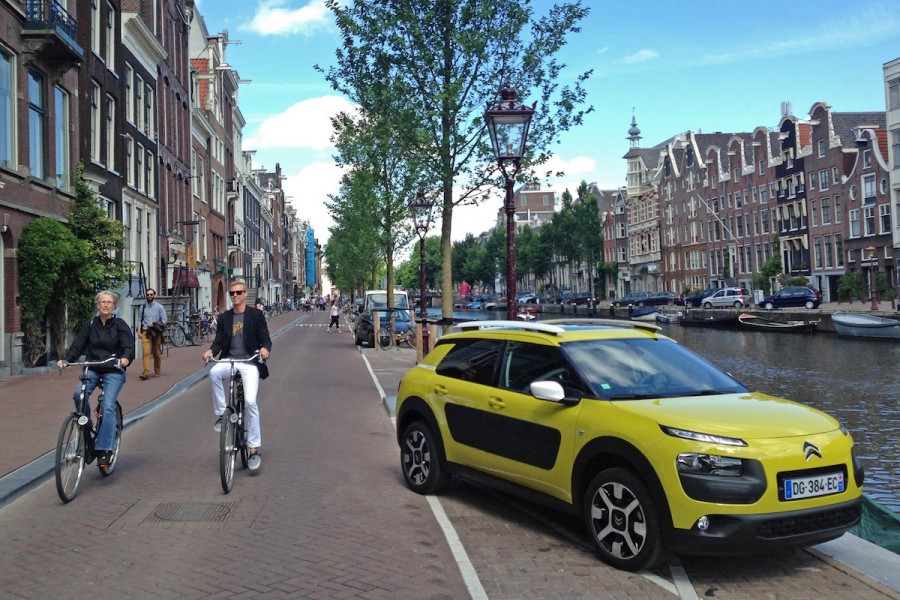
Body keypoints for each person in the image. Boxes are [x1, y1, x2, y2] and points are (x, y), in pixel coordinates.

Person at [56, 290, 135, 468]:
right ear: (97, 305)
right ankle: (86, 420)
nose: (105, 305)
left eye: (109, 302)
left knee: (107, 406)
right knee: (78, 395)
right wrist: (67, 360)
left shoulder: (120, 325)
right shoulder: (90, 325)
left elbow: (128, 347)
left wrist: (125, 359)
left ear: (114, 305)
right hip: (93, 368)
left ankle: (105, 449)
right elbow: (78, 346)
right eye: (102, 302)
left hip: (113, 370)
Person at [202, 279, 272, 471]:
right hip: (229, 360)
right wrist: (210, 351)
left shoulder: (256, 315)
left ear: (245, 294)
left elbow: (265, 337)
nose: (235, 296)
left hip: (249, 361)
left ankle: (253, 448)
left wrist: (265, 349)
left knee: (250, 402)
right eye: (232, 293)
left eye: (238, 293)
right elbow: (218, 342)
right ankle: (222, 413)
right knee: (214, 372)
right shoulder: (225, 318)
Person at [138, 288, 167, 380]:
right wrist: (139, 332)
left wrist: (154, 323)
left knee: (157, 353)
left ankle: (157, 370)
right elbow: (139, 320)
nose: (149, 296)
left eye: (151, 294)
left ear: (154, 295)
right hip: (146, 332)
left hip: (156, 332)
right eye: (148, 294)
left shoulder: (160, 307)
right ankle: (146, 373)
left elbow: (164, 320)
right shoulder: (142, 307)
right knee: (146, 353)